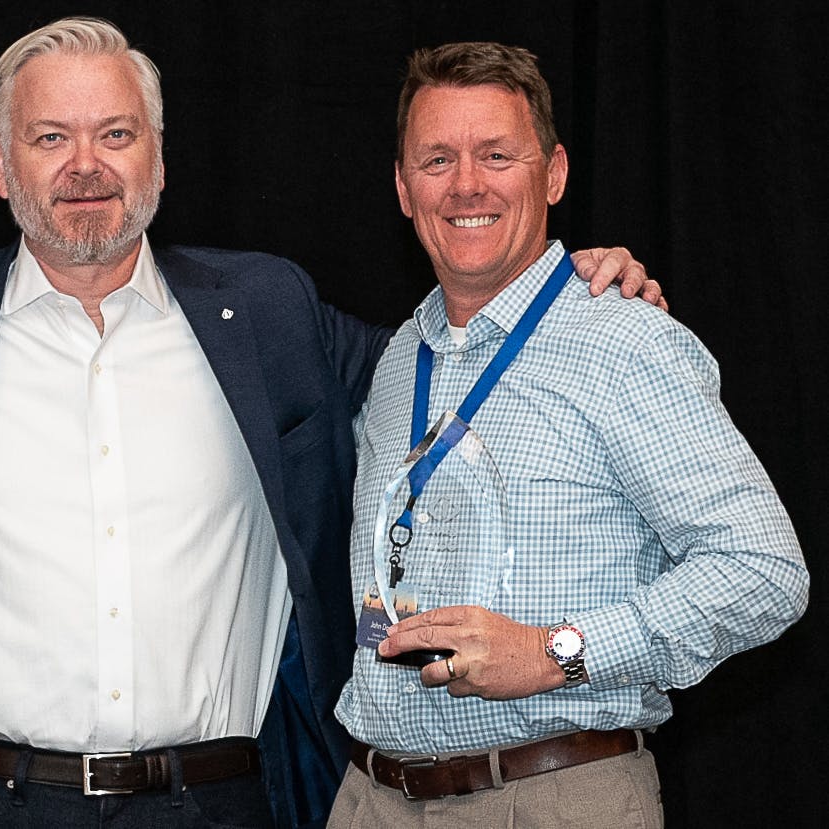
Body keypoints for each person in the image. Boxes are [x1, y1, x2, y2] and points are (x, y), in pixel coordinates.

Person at [0, 18, 659, 829]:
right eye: (49, 137)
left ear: (155, 158)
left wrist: (563, 289)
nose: (84, 165)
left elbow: (451, 366)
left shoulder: (266, 310)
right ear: (4, 168)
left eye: (114, 134)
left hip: (224, 800)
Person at [329, 42, 807, 827]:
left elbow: (763, 569)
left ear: (552, 172)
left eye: (496, 154)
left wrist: (558, 652)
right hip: (372, 798)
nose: (467, 184)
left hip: (551, 797)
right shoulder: (395, 362)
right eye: (437, 159)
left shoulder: (624, 341)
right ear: (403, 188)